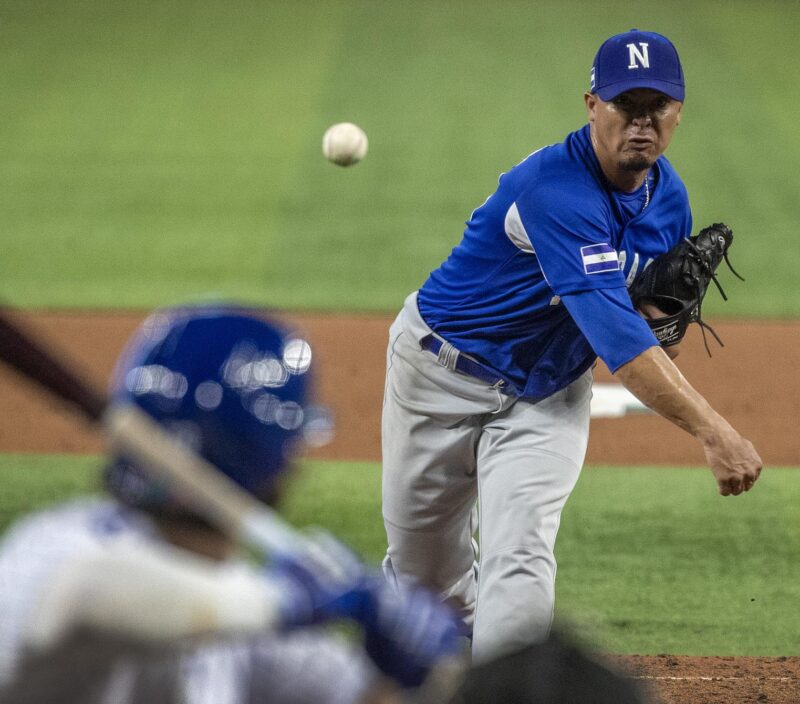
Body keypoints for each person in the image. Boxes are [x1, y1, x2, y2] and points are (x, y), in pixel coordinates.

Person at [380, 28, 763, 664]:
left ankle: (508, 690)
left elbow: (650, 340)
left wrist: (660, 318)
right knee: (425, 582)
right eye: (625, 106)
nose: (641, 123)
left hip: (548, 394)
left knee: (521, 550)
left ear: (678, 113)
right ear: (592, 106)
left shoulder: (670, 202)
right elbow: (621, 346)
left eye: (657, 107)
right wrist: (714, 431)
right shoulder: (554, 191)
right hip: (438, 376)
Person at [0, 304, 462, 704]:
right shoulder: (58, 549)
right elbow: (87, 595)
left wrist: (404, 665)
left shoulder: (237, 602)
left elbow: (353, 692)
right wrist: (285, 599)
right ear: (272, 464)